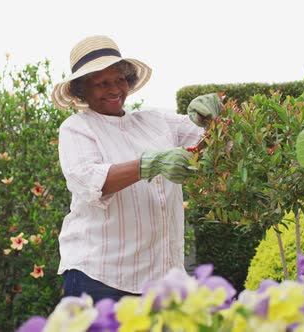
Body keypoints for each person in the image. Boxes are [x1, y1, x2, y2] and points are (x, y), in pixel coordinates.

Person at [51, 35, 221, 303]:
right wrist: (148, 164)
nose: (114, 89)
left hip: (160, 279)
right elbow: (89, 180)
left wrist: (212, 114)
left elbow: (214, 141)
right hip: (100, 277)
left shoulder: (156, 121)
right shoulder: (76, 128)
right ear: (82, 90)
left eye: (119, 79)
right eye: (102, 83)